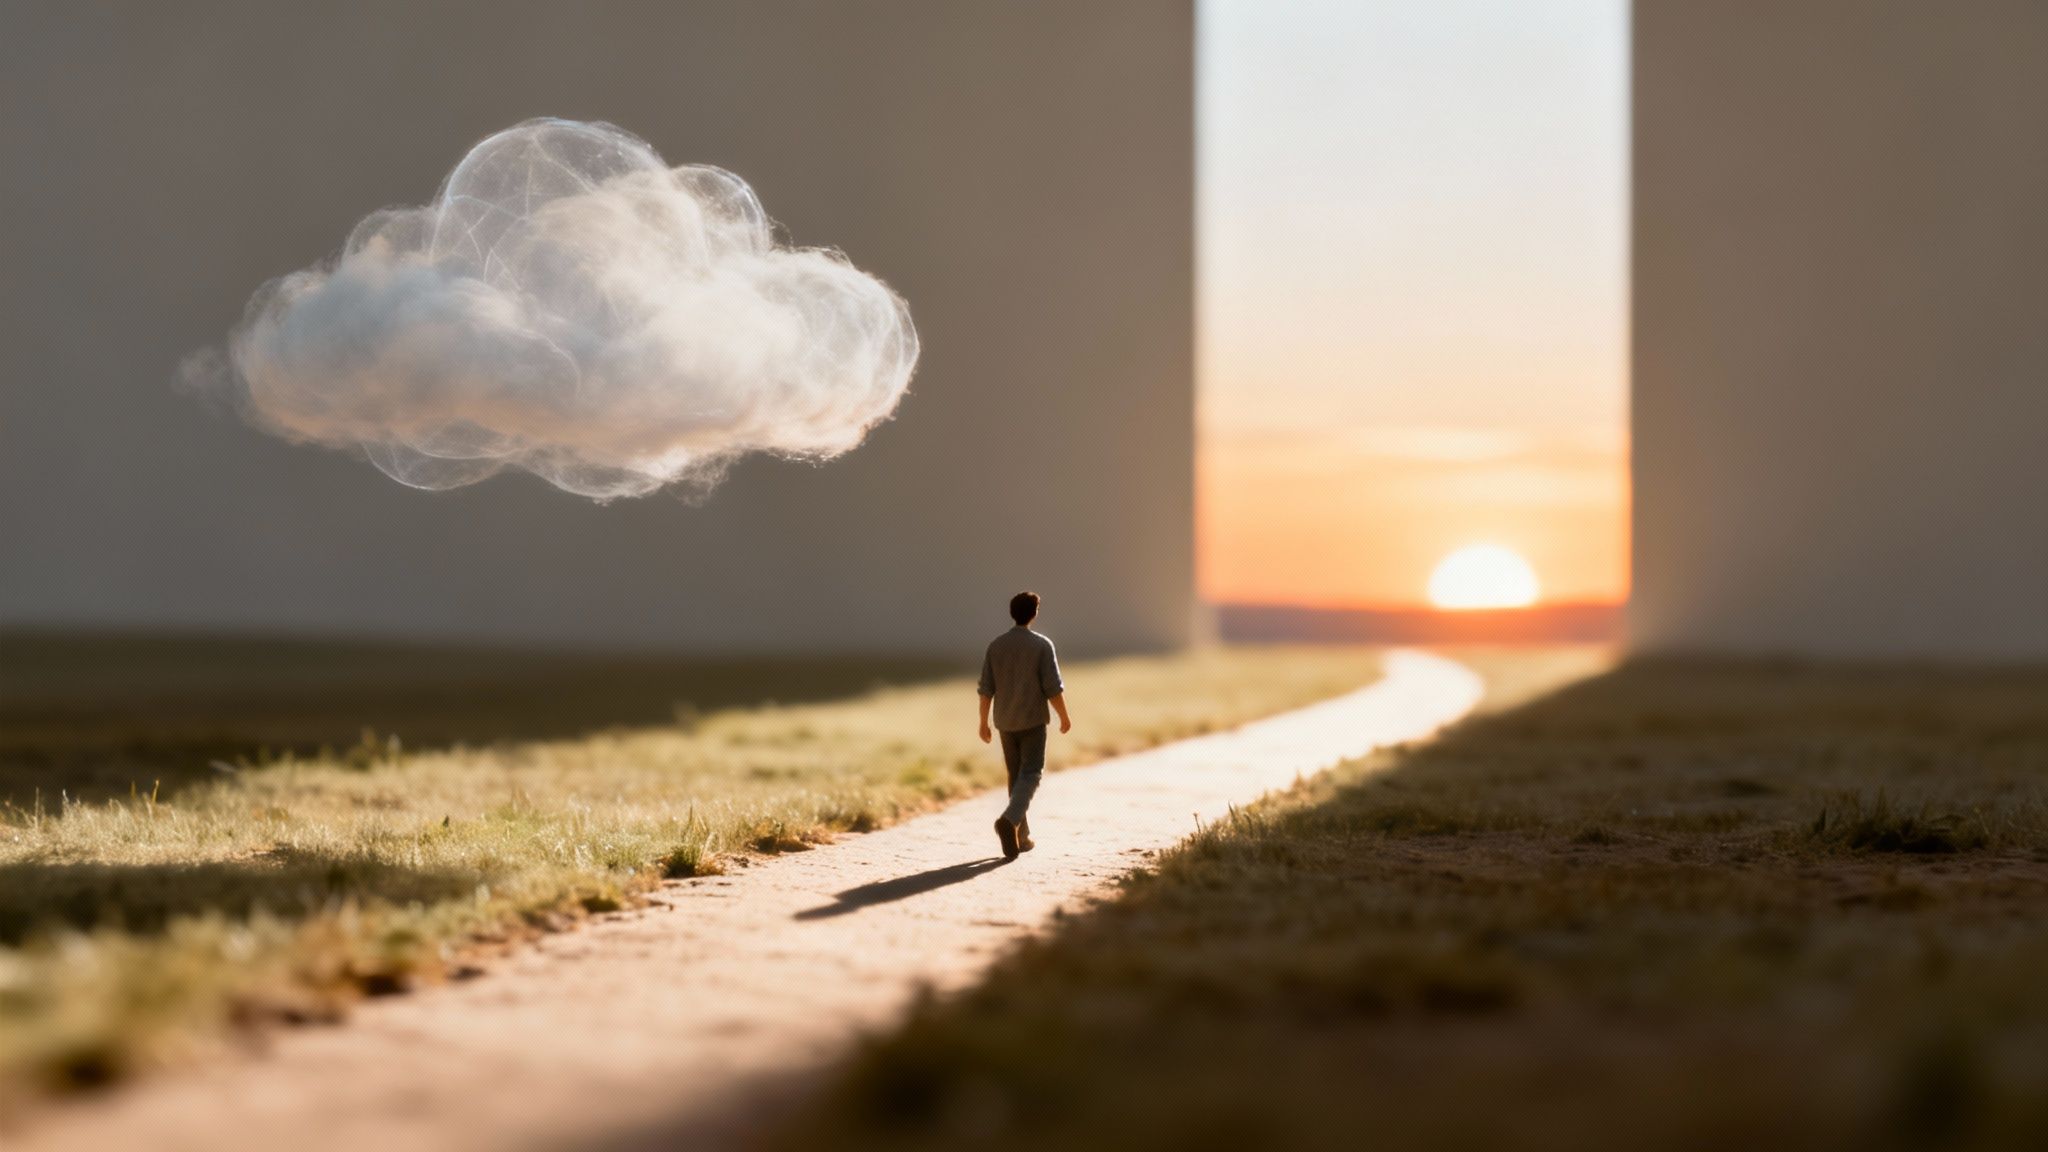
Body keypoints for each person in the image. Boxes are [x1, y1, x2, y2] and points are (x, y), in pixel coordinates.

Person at [977, 590, 1071, 859]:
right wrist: (1064, 716)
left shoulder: (996, 646)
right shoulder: (1042, 645)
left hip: (1005, 722)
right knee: (1031, 773)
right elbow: (1052, 687)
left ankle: (1021, 836)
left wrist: (983, 722)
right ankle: (1009, 821)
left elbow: (986, 688)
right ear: (1034, 613)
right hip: (1032, 720)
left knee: (1015, 776)